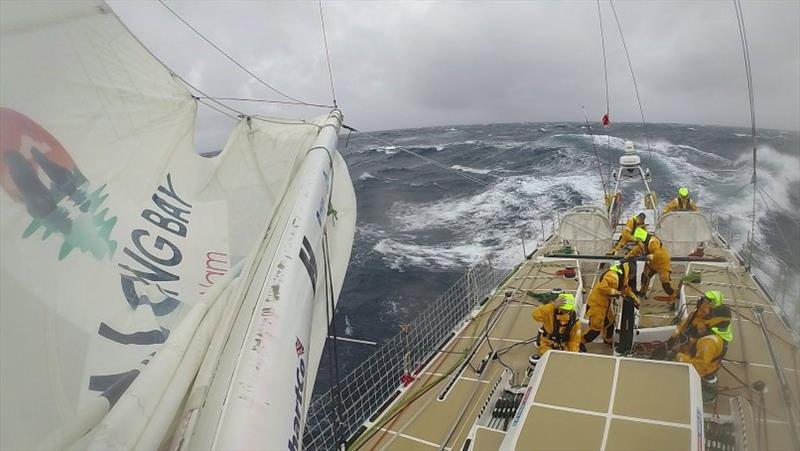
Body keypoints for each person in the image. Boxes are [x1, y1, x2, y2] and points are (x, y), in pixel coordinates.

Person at [667, 291, 733, 377]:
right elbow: (684, 325)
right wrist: (670, 340)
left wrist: (677, 356)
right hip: (687, 352)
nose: (703, 302)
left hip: (698, 370)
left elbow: (697, 368)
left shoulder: (710, 342)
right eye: (705, 299)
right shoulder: (699, 316)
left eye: (708, 301)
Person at [583, 262, 636, 346]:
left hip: (605, 304)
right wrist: (617, 292)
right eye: (631, 276)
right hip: (596, 305)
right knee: (595, 330)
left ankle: (608, 340)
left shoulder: (621, 275)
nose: (631, 278)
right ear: (629, 273)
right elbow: (602, 287)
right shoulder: (613, 277)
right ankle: (580, 342)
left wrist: (634, 298)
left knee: (610, 323)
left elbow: (625, 289)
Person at [626, 227, 677, 302]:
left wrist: (647, 257)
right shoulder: (642, 244)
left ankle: (674, 297)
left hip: (663, 263)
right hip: (652, 264)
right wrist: (626, 257)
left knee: (665, 284)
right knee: (645, 276)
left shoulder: (653, 242)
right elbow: (636, 250)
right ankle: (642, 292)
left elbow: (658, 254)